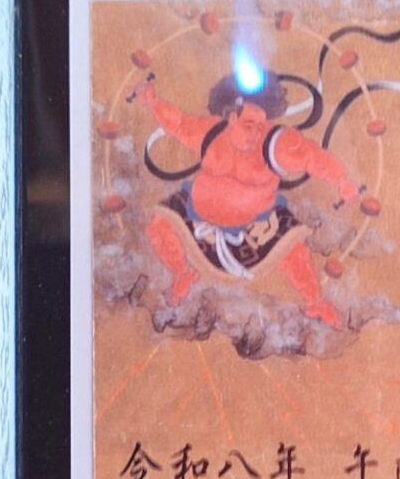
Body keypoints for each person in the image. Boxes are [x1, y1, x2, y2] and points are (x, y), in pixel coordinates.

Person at [134, 72, 359, 324]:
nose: (255, 134)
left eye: (260, 127)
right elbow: (179, 124)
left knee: (293, 249)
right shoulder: (210, 131)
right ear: (232, 118)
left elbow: (311, 156)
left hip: (253, 228)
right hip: (199, 218)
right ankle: (181, 273)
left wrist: (342, 180)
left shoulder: (275, 142)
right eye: (249, 126)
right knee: (159, 225)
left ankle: (315, 302)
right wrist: (153, 101)